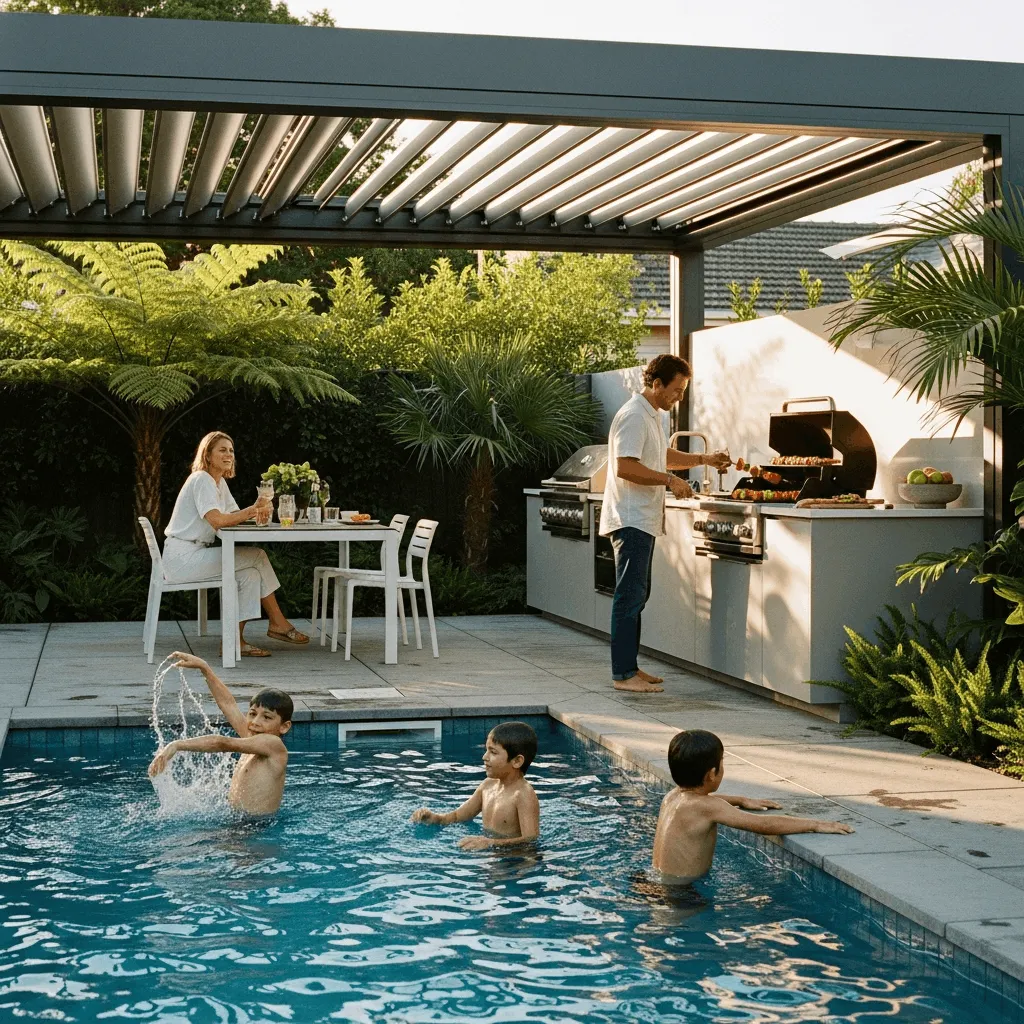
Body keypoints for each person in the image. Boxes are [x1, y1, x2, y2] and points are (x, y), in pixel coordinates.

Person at [599, 355, 731, 693]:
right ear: (656, 383)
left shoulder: (650, 415)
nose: (680, 397)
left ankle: (629, 667)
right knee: (629, 597)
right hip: (631, 519)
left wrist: (703, 458)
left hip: (641, 520)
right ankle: (622, 675)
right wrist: (670, 481)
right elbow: (626, 467)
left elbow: (660, 457)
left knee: (638, 596)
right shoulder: (633, 415)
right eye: (677, 390)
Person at [162, 431, 308, 657]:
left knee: (251, 574)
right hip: (182, 559)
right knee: (258, 555)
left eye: (231, 450)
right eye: (222, 450)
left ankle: (235, 642)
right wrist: (252, 511)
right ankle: (277, 622)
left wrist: (257, 509)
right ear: (207, 455)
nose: (229, 454)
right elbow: (217, 521)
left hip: (194, 554)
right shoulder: (202, 479)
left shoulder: (219, 483)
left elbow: (233, 516)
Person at [652, 729, 854, 883]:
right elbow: (763, 825)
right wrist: (814, 824)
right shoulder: (708, 807)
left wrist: (740, 800)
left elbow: (702, 801)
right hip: (683, 895)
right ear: (712, 774)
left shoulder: (673, 796)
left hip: (657, 882)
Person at [148, 652, 292, 815]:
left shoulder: (274, 746)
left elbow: (222, 743)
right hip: (237, 819)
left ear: (284, 726)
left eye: (267, 717)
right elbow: (228, 704)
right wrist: (205, 668)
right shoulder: (251, 737)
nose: (255, 722)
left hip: (256, 826)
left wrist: (177, 745)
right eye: (252, 714)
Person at [411, 722, 540, 851]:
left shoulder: (523, 794)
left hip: (512, 858)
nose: (484, 757)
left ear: (517, 761)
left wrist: (491, 843)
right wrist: (436, 818)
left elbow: (530, 839)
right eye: (486, 750)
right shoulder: (487, 786)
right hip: (488, 852)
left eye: (493, 752)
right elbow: (458, 816)